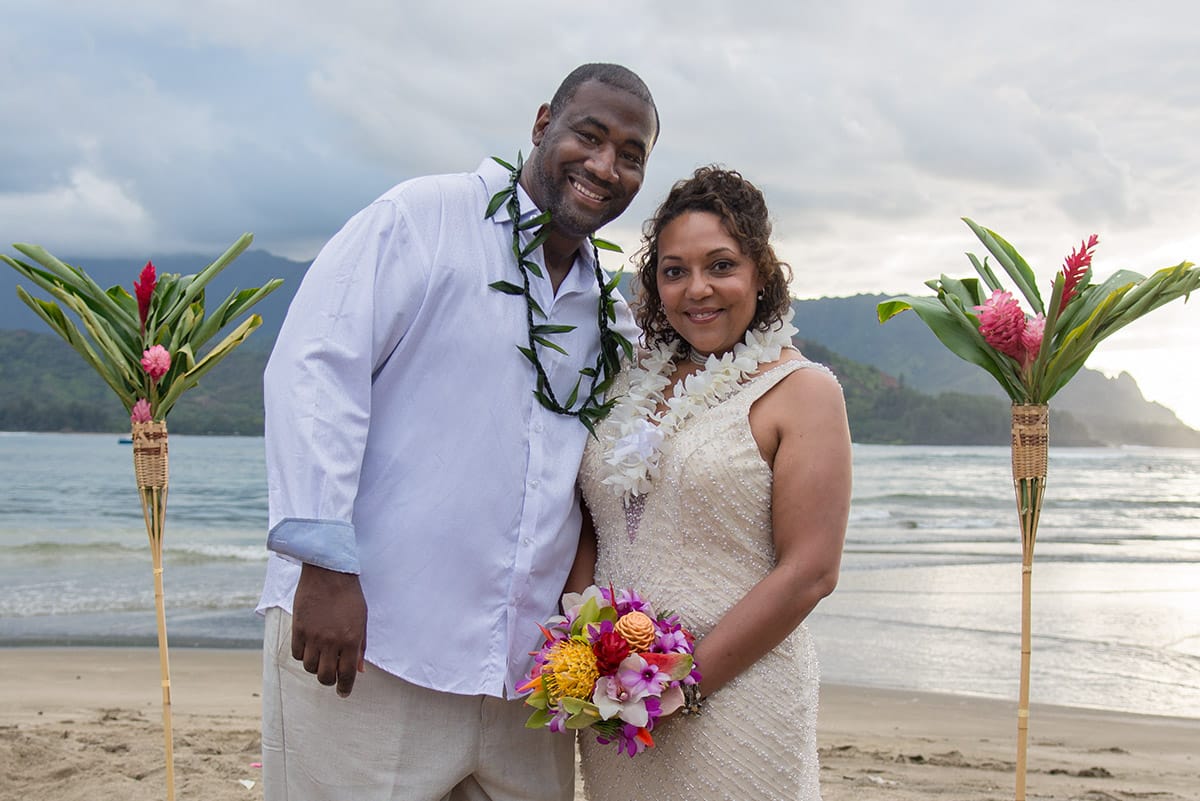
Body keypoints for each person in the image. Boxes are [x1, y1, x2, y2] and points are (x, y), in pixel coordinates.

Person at [256, 63, 657, 801]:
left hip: (522, 682)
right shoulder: (424, 219)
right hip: (371, 647)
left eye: (631, 154)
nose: (605, 165)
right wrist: (323, 565)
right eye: (590, 136)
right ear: (543, 124)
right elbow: (313, 372)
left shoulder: (608, 315)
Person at [574, 166, 852, 800]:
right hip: (615, 700)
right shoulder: (625, 385)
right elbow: (589, 519)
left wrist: (683, 684)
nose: (697, 289)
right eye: (674, 271)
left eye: (720, 266)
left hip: (736, 698)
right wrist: (581, 645)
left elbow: (811, 570)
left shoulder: (802, 391)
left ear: (761, 273)